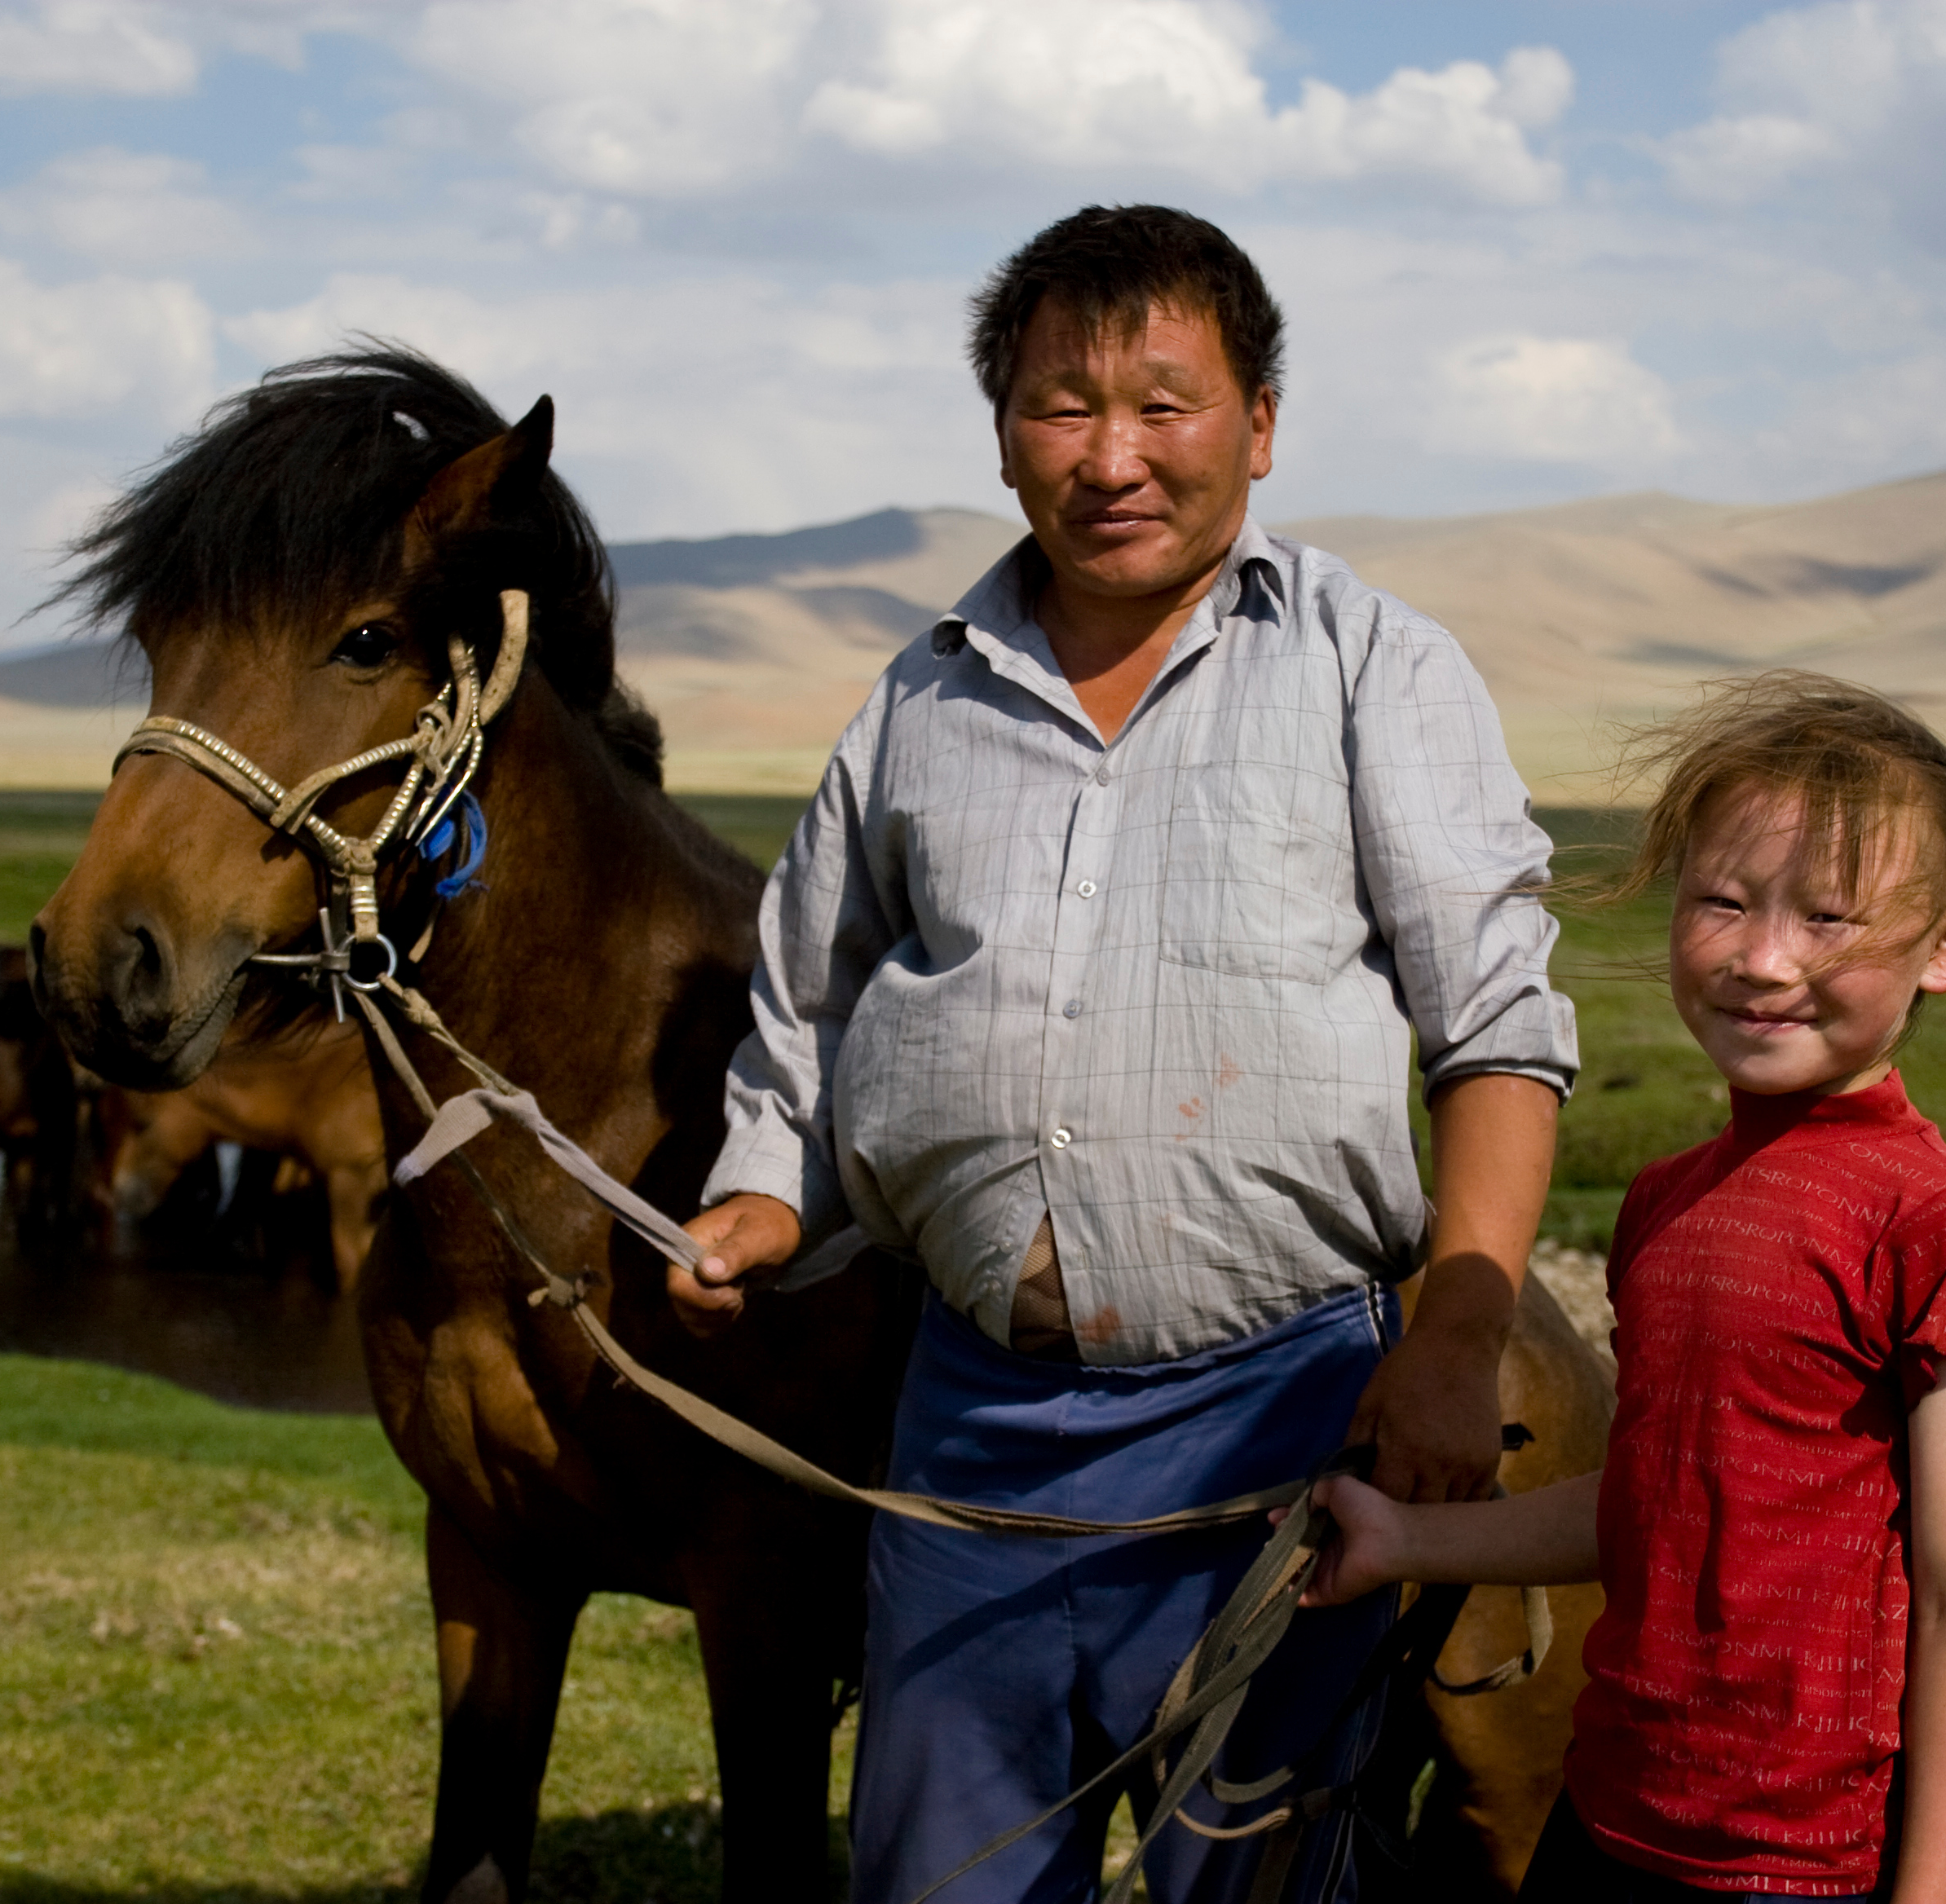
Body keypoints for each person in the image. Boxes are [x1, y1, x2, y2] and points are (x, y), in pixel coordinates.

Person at [669, 203, 1578, 1902]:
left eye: (1163, 403)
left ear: (1261, 420)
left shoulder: (1371, 669)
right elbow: (811, 1013)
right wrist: (760, 1207)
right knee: (940, 1876)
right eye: (1061, 405)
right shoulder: (917, 703)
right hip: (971, 1429)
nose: (1112, 456)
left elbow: (1495, 1028)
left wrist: (1456, 1325)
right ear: (1003, 433)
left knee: (1252, 1875)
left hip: (1281, 1410)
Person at [1304, 672, 1946, 1904]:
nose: (1763, 960)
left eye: (1829, 920)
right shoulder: (1668, 1200)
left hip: (1802, 1864)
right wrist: (1411, 1543)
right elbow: (1651, 1501)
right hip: (1609, 1819)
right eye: (1724, 902)